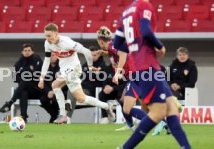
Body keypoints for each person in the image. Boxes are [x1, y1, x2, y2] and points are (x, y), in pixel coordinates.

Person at [113, 0, 191, 148]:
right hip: (147, 66)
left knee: (171, 108)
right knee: (157, 112)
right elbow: (146, 30)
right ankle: (125, 147)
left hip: (144, 67)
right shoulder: (144, 5)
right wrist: (160, 47)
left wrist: (135, 46)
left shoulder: (125, 13)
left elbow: (117, 43)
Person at [38, 23, 115, 124]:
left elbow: (87, 52)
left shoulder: (67, 42)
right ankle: (106, 106)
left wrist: (90, 66)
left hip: (74, 68)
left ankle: (62, 115)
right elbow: (47, 60)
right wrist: (41, 78)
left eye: (49, 36)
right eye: (45, 36)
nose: (47, 38)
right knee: (81, 98)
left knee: (55, 84)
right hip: (64, 70)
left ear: (56, 34)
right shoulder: (47, 44)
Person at [96, 26, 147, 129]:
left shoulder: (112, 46)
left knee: (127, 108)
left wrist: (117, 73)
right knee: (124, 101)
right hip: (137, 75)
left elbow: (123, 54)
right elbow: (118, 53)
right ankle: (130, 124)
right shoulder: (111, 47)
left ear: (101, 41)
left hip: (135, 76)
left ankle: (158, 122)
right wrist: (104, 52)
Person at [0, 44, 43, 122]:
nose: (27, 52)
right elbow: (14, 78)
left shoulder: (37, 59)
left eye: (29, 50)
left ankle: (9, 103)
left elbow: (37, 74)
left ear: (32, 52)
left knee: (24, 81)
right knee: (23, 92)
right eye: (25, 51)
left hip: (36, 90)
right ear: (22, 52)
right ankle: (24, 117)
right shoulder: (18, 63)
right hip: (24, 89)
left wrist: (25, 76)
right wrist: (28, 75)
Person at [66, 46, 107, 123]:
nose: (92, 57)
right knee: (71, 90)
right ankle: (68, 116)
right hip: (83, 89)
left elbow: (101, 79)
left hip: (94, 91)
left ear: (98, 55)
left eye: (94, 55)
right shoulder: (84, 65)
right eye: (90, 55)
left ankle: (67, 115)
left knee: (73, 92)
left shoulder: (102, 65)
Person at [39, 53, 68, 123]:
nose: (51, 57)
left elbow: (65, 81)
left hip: (61, 90)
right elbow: (44, 82)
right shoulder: (45, 68)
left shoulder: (62, 67)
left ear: (57, 56)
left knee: (56, 100)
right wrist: (48, 91)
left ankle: (60, 116)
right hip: (48, 92)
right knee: (43, 100)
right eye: (50, 56)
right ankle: (54, 115)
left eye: (53, 55)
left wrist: (54, 91)